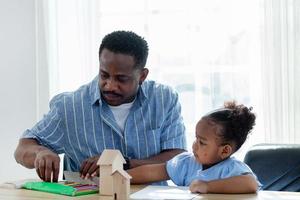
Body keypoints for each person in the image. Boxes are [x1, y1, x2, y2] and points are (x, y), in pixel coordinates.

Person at [14, 30, 187, 182]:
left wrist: (122, 162)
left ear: (142, 75)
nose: (110, 85)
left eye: (121, 79)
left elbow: (177, 159)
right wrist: (40, 153)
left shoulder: (164, 100)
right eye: (104, 75)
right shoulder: (70, 107)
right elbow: (23, 148)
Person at [128, 101, 261, 193]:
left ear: (225, 151)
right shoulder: (186, 163)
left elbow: (250, 184)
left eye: (202, 142)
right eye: (196, 138)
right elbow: (151, 172)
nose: (194, 145)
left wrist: (208, 187)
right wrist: (117, 178)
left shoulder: (232, 168)